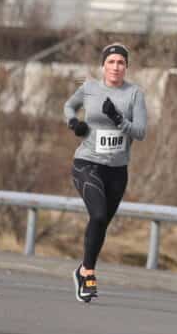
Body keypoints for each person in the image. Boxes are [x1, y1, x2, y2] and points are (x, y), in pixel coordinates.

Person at [63, 43, 147, 302]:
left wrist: (119, 119)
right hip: (87, 163)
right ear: (103, 66)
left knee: (101, 224)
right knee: (98, 214)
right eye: (111, 62)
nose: (115, 67)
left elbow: (140, 132)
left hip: (117, 171)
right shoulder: (89, 88)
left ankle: (82, 270)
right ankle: (89, 273)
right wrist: (74, 123)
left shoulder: (134, 94)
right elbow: (69, 106)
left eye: (121, 62)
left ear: (126, 67)